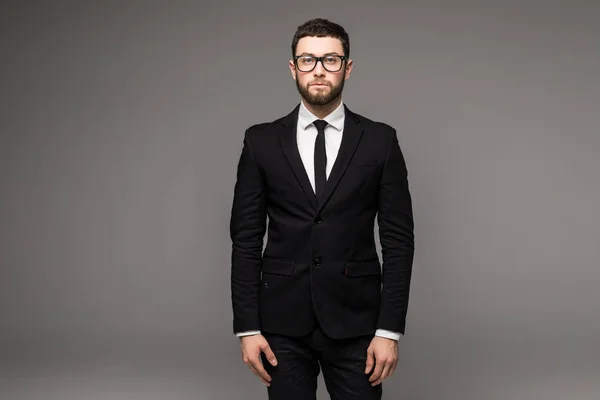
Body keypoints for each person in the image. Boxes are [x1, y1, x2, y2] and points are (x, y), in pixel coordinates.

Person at [229, 17, 415, 400]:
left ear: (347, 68)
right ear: (292, 68)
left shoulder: (380, 141)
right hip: (281, 323)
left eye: (330, 60)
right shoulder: (260, 142)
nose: (318, 70)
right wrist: (247, 328)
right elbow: (245, 240)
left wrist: (388, 330)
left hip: (357, 325)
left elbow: (398, 241)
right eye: (308, 60)